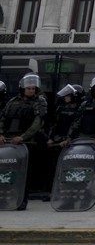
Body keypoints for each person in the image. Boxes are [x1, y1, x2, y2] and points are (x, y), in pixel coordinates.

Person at [0, 74, 47, 210]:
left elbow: (38, 122)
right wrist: (0, 134)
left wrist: (23, 137)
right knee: (6, 171)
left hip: (27, 142)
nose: (31, 90)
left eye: (33, 88)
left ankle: (21, 200)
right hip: (8, 141)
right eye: (28, 88)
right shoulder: (12, 101)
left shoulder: (40, 101)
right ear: (22, 88)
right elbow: (3, 118)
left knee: (23, 173)